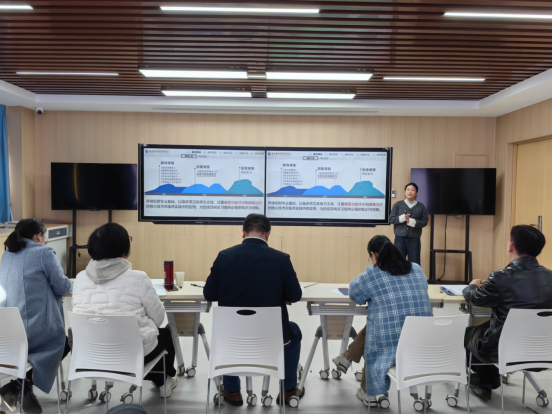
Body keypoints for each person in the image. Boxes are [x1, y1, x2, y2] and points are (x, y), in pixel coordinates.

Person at [203, 214, 303, 406]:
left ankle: (232, 391)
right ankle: (288, 390)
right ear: (268, 234)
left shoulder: (224, 256)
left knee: (228, 331)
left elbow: (209, 293)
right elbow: (295, 295)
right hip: (270, 338)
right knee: (294, 332)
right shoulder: (281, 259)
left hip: (232, 338)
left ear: (243, 233)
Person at [72, 223, 178, 397]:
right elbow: (158, 318)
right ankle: (164, 382)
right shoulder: (138, 278)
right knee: (164, 334)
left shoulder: (80, 278)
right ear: (124, 249)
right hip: (130, 355)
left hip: (91, 355)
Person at [333, 235, 432, 406]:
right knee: (381, 321)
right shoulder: (416, 269)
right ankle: (347, 357)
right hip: (421, 342)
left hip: (391, 345)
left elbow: (354, 293)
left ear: (374, 255)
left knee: (377, 327)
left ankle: (365, 387)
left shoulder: (375, 273)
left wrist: (370, 270)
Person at [464, 225, 552, 401]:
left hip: (501, 350)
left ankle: (487, 379)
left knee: (466, 333)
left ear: (511, 246)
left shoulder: (499, 278)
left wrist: (472, 286)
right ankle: (486, 379)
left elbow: (475, 298)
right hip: (543, 351)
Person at [0, 218, 72, 414]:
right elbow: (62, 286)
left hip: (5, 332)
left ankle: (20, 385)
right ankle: (23, 383)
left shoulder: (7, 254)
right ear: (39, 236)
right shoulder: (44, 252)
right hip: (31, 331)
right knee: (63, 342)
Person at [389, 183, 428, 265]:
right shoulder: (397, 205)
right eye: (408, 190)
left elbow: (425, 221)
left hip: (414, 238)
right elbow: (391, 219)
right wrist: (402, 218)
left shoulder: (421, 206)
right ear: (405, 192)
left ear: (416, 193)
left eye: (413, 190)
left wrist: (412, 222)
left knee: (415, 262)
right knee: (398, 262)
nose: (410, 192)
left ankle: (414, 274)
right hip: (399, 238)